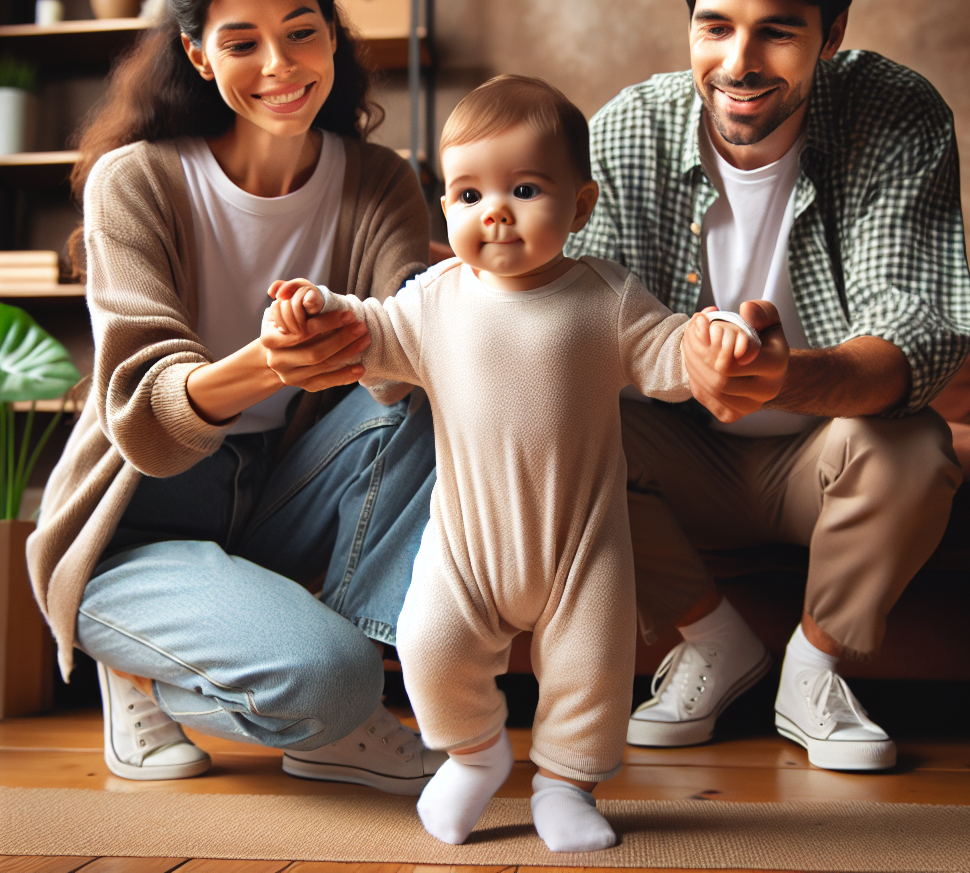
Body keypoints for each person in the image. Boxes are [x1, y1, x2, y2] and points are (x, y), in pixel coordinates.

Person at [265, 75, 758, 850]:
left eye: (524, 188)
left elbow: (673, 354)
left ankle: (566, 785)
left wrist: (717, 337)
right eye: (467, 194)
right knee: (427, 647)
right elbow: (369, 329)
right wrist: (315, 310)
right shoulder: (435, 299)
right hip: (465, 547)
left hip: (580, 550)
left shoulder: (606, 298)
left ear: (582, 204)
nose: (493, 211)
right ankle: (473, 753)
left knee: (591, 674)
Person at [566, 0, 970, 771]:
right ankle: (713, 643)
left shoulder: (896, 115)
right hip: (676, 454)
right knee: (552, 423)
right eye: (715, 27)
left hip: (827, 458)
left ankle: (814, 670)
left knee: (916, 446)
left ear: (833, 31)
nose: (739, 63)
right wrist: (682, 361)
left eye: (778, 31)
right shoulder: (626, 131)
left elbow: (914, 335)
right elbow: (575, 330)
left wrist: (786, 376)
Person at [27, 0, 444, 793]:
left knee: (447, 393)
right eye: (243, 42)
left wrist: (386, 336)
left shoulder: (378, 180)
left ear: (334, 32)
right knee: (330, 684)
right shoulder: (136, 181)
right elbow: (143, 414)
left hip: (283, 491)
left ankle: (327, 669)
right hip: (139, 515)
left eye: (301, 32)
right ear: (199, 54)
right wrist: (269, 362)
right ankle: (143, 666)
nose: (282, 67)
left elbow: (414, 351)